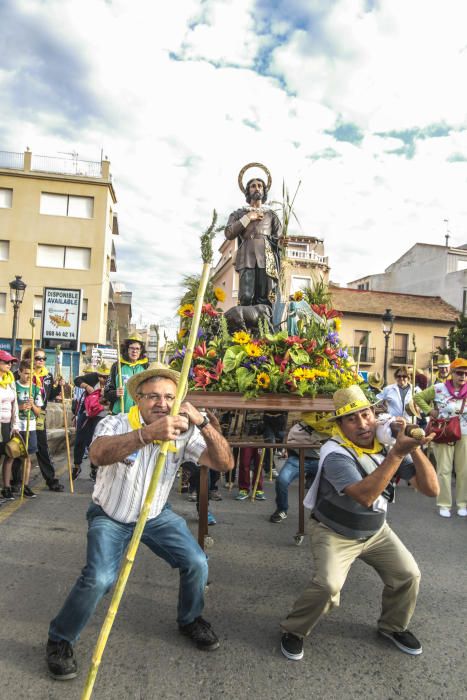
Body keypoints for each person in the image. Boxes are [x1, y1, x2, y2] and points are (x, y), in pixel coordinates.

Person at [46, 362, 233, 681]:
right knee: (100, 578)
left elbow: (224, 463)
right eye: (153, 397)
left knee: (197, 562)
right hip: (112, 515)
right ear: (138, 399)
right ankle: (59, 640)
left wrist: (203, 424)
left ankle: (190, 619)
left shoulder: (183, 430)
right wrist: (147, 435)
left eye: (169, 397)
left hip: (156, 515)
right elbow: (98, 454)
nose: (162, 403)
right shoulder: (116, 422)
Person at [279, 385, 438, 661]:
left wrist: (415, 446)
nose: (362, 424)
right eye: (351, 419)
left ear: (374, 416)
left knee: (408, 575)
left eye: (365, 414)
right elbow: (365, 496)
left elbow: (431, 490)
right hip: (334, 531)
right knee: (328, 586)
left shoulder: (386, 443)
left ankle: (392, 626)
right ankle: (294, 629)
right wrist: (398, 453)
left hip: (375, 531)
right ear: (340, 424)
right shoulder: (334, 452)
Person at [414, 357, 467, 518]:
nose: (462, 377)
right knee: (444, 470)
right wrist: (430, 411)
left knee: (463, 470)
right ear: (452, 373)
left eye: (465, 373)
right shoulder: (439, 388)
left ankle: (462, 503)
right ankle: (444, 504)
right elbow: (418, 398)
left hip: (465, 433)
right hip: (445, 432)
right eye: (459, 373)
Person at [225, 177, 282, 306]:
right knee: (246, 296)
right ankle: (243, 326)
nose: (257, 188)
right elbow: (229, 233)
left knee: (265, 297)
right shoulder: (239, 214)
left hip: (267, 258)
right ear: (247, 191)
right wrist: (248, 217)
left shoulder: (271, 215)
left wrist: (283, 242)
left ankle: (264, 325)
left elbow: (279, 238)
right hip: (247, 257)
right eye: (253, 186)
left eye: (260, 186)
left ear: (264, 190)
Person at [18, 347, 64, 492]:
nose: (41, 361)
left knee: (42, 447)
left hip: (39, 415)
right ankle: (14, 481)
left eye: (44, 358)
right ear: (30, 359)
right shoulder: (22, 373)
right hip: (22, 417)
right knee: (18, 448)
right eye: (38, 358)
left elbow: (49, 395)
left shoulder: (48, 376)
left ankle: (51, 479)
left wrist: (59, 388)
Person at [269, 415, 321, 523]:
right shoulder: (300, 425)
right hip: (297, 457)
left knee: (330, 483)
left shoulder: (334, 425)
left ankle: (322, 512)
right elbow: (290, 439)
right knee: (281, 480)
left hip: (320, 459)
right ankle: (281, 509)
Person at [72, 364, 110, 481]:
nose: (102, 379)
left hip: (101, 414)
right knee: (79, 439)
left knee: (94, 442)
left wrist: (106, 397)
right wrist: (87, 386)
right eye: (100, 376)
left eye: (105, 377)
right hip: (86, 412)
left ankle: (94, 467)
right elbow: (77, 380)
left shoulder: (112, 380)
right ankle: (77, 466)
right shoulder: (93, 377)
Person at [11, 360, 44, 498]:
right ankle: (14, 483)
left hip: (31, 427)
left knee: (28, 457)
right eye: (25, 374)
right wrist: (20, 407)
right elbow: (10, 406)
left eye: (31, 374)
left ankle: (25, 485)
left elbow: (39, 412)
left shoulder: (35, 389)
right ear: (19, 372)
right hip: (17, 426)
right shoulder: (14, 387)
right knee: (13, 456)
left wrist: (33, 405)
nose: (28, 376)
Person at [104, 334, 148, 414]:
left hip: (140, 415)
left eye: (137, 349)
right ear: (127, 349)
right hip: (119, 414)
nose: (134, 351)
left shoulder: (146, 367)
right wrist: (115, 393)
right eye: (132, 348)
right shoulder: (117, 366)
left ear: (141, 351)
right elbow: (106, 392)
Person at [0, 350, 19, 502]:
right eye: (7, 362)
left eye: (11, 362)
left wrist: (15, 424)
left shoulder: (10, 380)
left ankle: (6, 488)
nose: (10, 365)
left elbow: (15, 405)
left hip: (7, 424)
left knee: (9, 455)